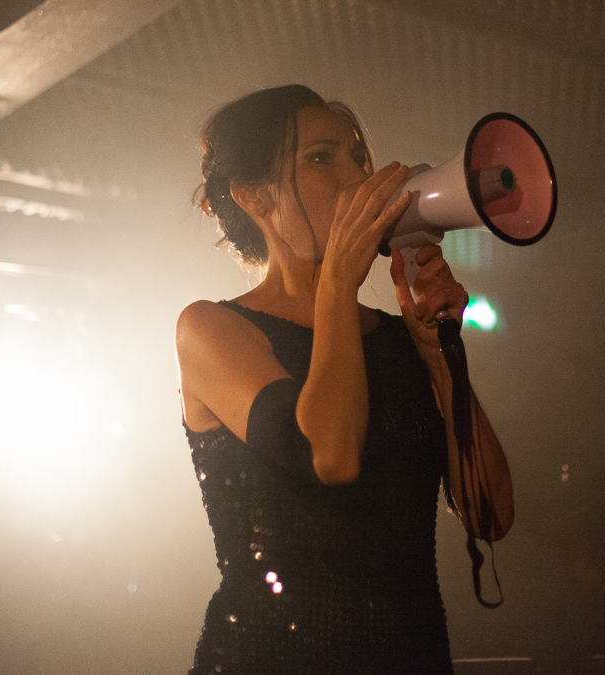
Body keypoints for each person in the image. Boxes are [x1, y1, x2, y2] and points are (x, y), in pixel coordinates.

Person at [175, 85, 514, 674]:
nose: (358, 175)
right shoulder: (211, 329)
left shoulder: (399, 338)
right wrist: (336, 282)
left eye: (357, 155)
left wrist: (439, 361)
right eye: (319, 158)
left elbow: (491, 516)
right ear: (254, 196)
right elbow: (328, 454)